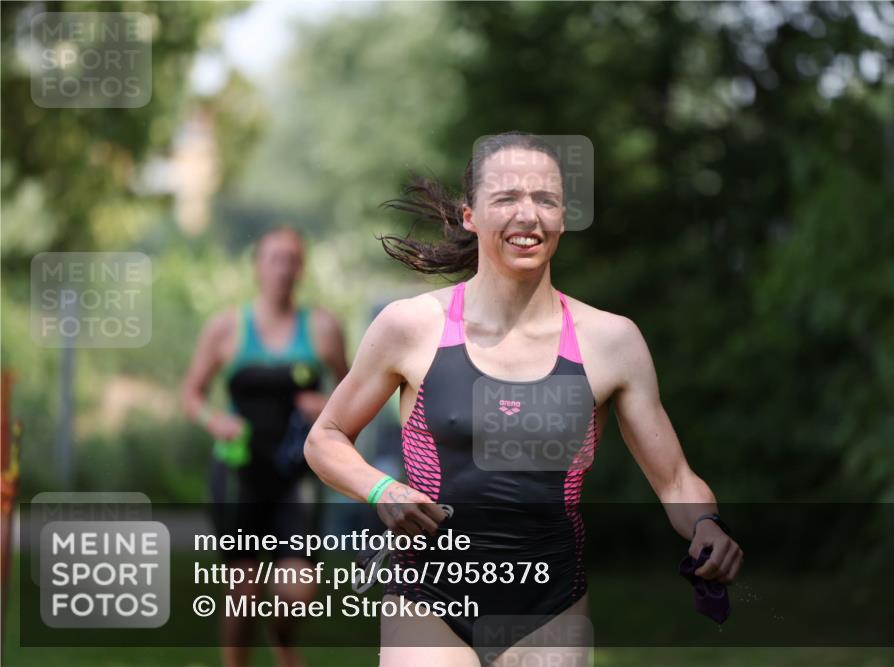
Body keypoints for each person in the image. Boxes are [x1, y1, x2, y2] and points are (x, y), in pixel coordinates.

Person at [304, 132, 743, 666]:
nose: (528, 216)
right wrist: (382, 491)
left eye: (546, 200)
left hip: (551, 603)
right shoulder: (411, 326)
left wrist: (705, 525)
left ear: (564, 216)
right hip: (428, 596)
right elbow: (325, 439)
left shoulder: (611, 341)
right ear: (470, 215)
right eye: (507, 198)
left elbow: (675, 479)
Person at [181, 226, 350, 667]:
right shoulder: (226, 328)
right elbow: (191, 395)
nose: (283, 268)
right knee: (244, 589)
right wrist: (214, 420)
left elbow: (355, 392)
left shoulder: (323, 328)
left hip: (297, 473)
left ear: (302, 268)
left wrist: (328, 405)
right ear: (257, 265)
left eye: (292, 259)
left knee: (298, 592)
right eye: (274, 258)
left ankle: (282, 639)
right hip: (240, 474)